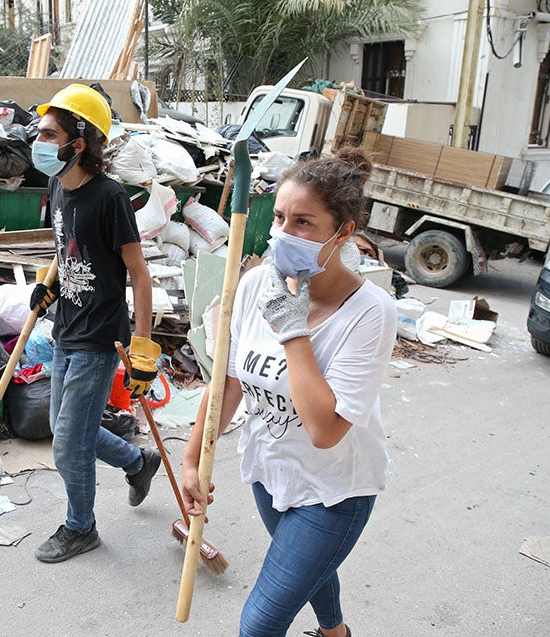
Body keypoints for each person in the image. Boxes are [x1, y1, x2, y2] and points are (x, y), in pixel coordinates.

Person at [181, 147, 397, 637]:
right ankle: (335, 633)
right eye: (279, 217)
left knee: (259, 624)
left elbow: (325, 430)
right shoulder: (257, 283)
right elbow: (229, 382)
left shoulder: (371, 313)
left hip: (334, 490)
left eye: (304, 222)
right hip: (270, 471)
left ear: (342, 231)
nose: (283, 233)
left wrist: (293, 330)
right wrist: (192, 459)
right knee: (309, 572)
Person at [29, 84, 162, 563]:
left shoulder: (110, 198)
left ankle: (80, 528)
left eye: (48, 133)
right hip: (65, 328)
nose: (38, 140)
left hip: (100, 338)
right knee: (67, 428)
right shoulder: (56, 184)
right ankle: (137, 460)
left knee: (68, 443)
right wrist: (47, 285)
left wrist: (143, 348)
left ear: (78, 141)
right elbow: (63, 251)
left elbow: (139, 273)